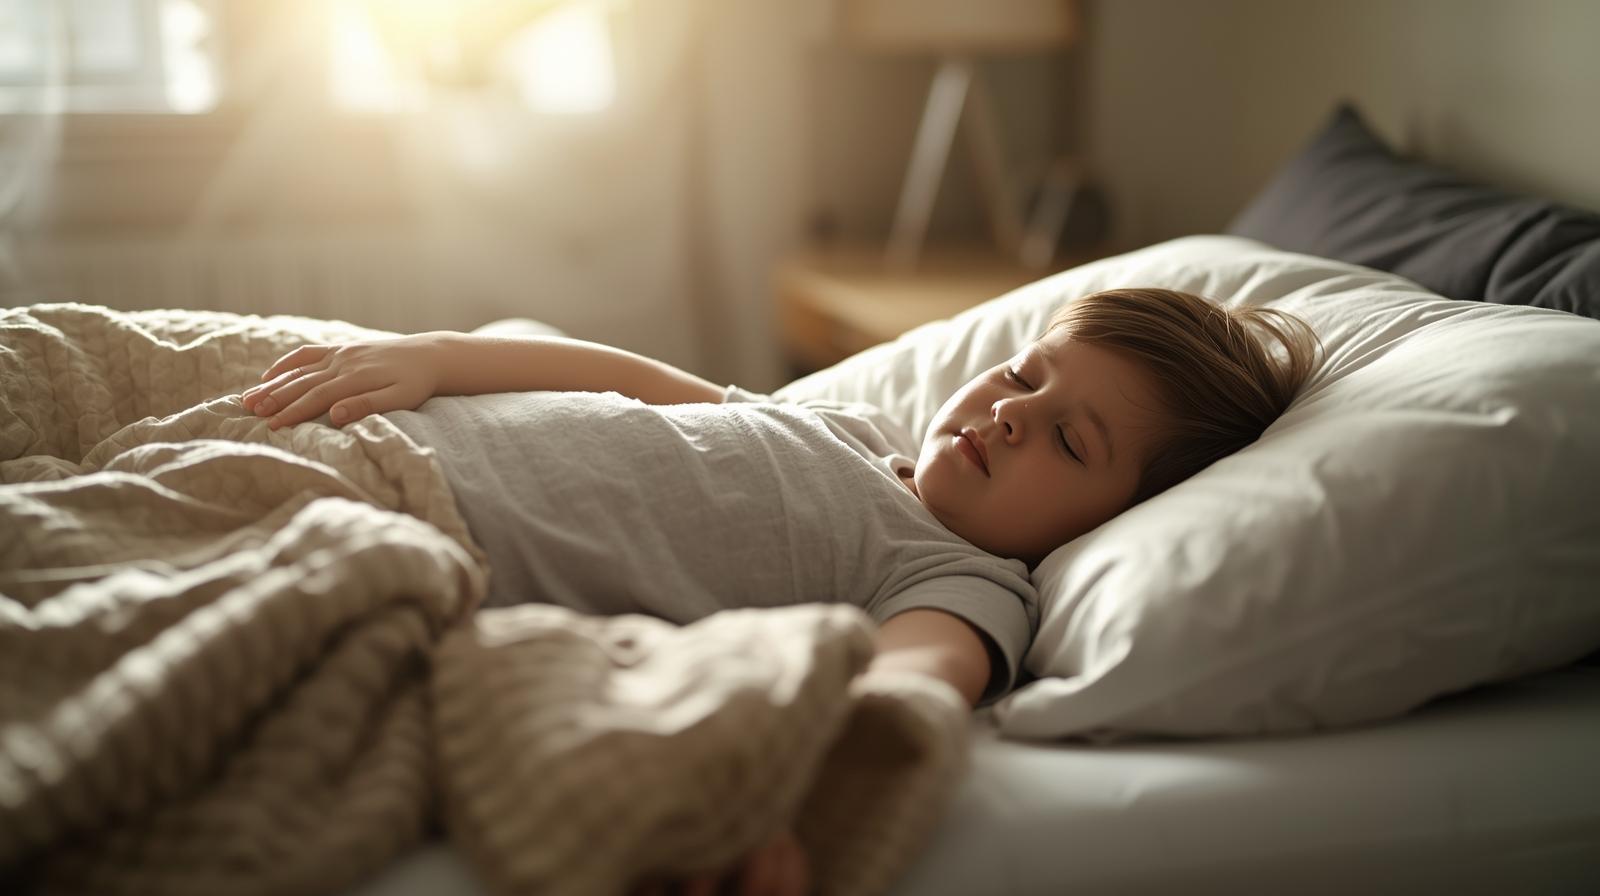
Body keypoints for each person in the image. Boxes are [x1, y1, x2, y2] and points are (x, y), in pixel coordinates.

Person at [240, 287, 1319, 896]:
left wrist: (783, 786)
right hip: (371, 426)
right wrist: (439, 355)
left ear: (1107, 522)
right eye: (1023, 375)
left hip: (413, 524)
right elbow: (638, 381)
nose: (1009, 414)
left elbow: (912, 678)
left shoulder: (965, 578)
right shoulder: (860, 430)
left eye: (1068, 440)